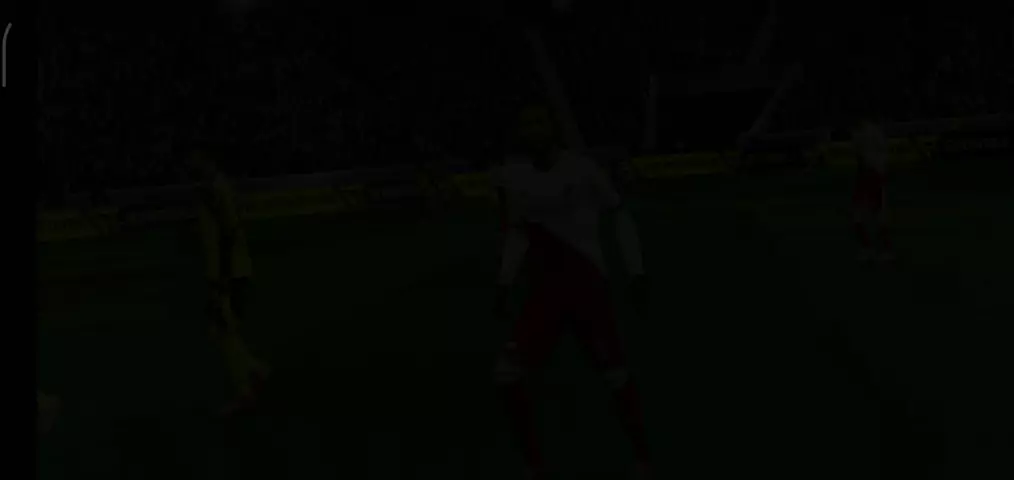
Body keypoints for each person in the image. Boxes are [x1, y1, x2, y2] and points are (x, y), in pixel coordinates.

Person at [492, 104, 653, 479]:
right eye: (527, 124)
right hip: (545, 292)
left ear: (553, 128)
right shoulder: (514, 177)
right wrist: (504, 282)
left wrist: (636, 271)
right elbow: (519, 231)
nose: (533, 130)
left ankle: (642, 457)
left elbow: (618, 212)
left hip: (586, 288)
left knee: (614, 375)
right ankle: (534, 466)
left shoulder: (582, 169)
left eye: (539, 122)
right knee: (506, 375)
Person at [187, 140, 270, 416]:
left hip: (228, 273)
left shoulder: (215, 189)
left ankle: (246, 390)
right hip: (231, 271)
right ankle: (255, 371)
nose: (190, 161)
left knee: (223, 331)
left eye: (194, 155)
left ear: (206, 157)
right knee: (224, 330)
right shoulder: (214, 187)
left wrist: (220, 276)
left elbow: (228, 232)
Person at [850, 114, 894, 263]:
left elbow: (879, 157)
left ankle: (881, 250)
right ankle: (871, 249)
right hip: (867, 178)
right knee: (863, 217)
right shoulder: (862, 132)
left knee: (876, 217)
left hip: (873, 178)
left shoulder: (870, 132)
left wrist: (878, 174)